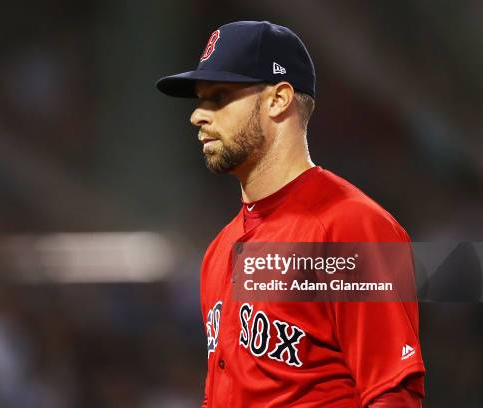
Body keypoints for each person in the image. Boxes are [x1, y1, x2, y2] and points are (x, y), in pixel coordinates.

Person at [156, 21, 425, 407]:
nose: (198, 115)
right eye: (200, 100)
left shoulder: (350, 225)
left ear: (278, 99)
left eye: (218, 97)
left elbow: (392, 393)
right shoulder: (220, 251)